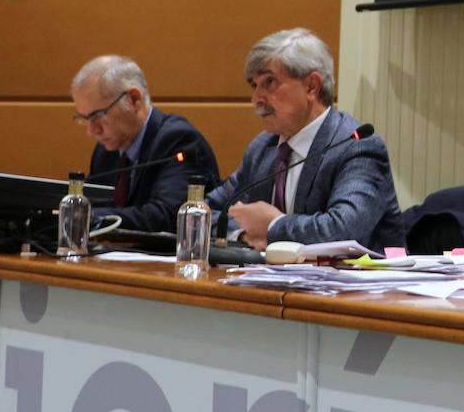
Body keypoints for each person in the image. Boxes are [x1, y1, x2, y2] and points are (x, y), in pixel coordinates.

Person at [206, 28, 406, 251]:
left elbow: (342, 230)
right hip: (275, 283)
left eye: (269, 82)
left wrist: (274, 226)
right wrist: (244, 234)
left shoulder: (356, 146)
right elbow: (205, 212)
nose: (256, 99)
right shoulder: (263, 148)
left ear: (312, 86)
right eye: (254, 86)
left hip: (362, 284)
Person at [71, 55, 220, 233]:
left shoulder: (178, 140)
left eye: (97, 116)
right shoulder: (106, 151)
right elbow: (93, 203)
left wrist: (88, 217)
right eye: (84, 119)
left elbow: (167, 216)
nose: (91, 130)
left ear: (134, 99)